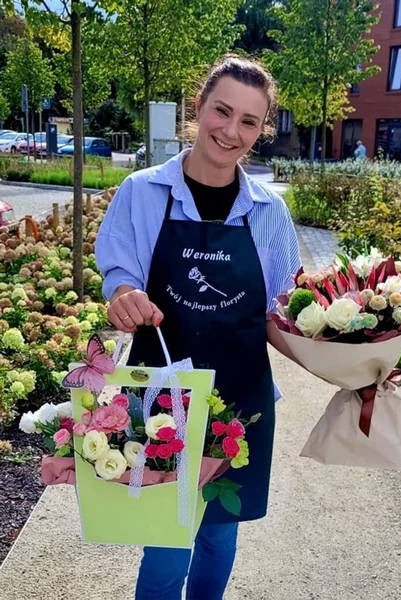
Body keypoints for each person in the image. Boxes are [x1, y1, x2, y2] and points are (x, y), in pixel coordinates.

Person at [96, 54, 301, 600]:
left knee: (219, 537)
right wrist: (122, 296)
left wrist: (346, 364)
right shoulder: (142, 192)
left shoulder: (268, 212)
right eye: (222, 111)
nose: (231, 131)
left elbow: (279, 315)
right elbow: (119, 277)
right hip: (163, 397)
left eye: (250, 121)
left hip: (241, 401)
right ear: (199, 107)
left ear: (262, 130)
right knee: (166, 545)